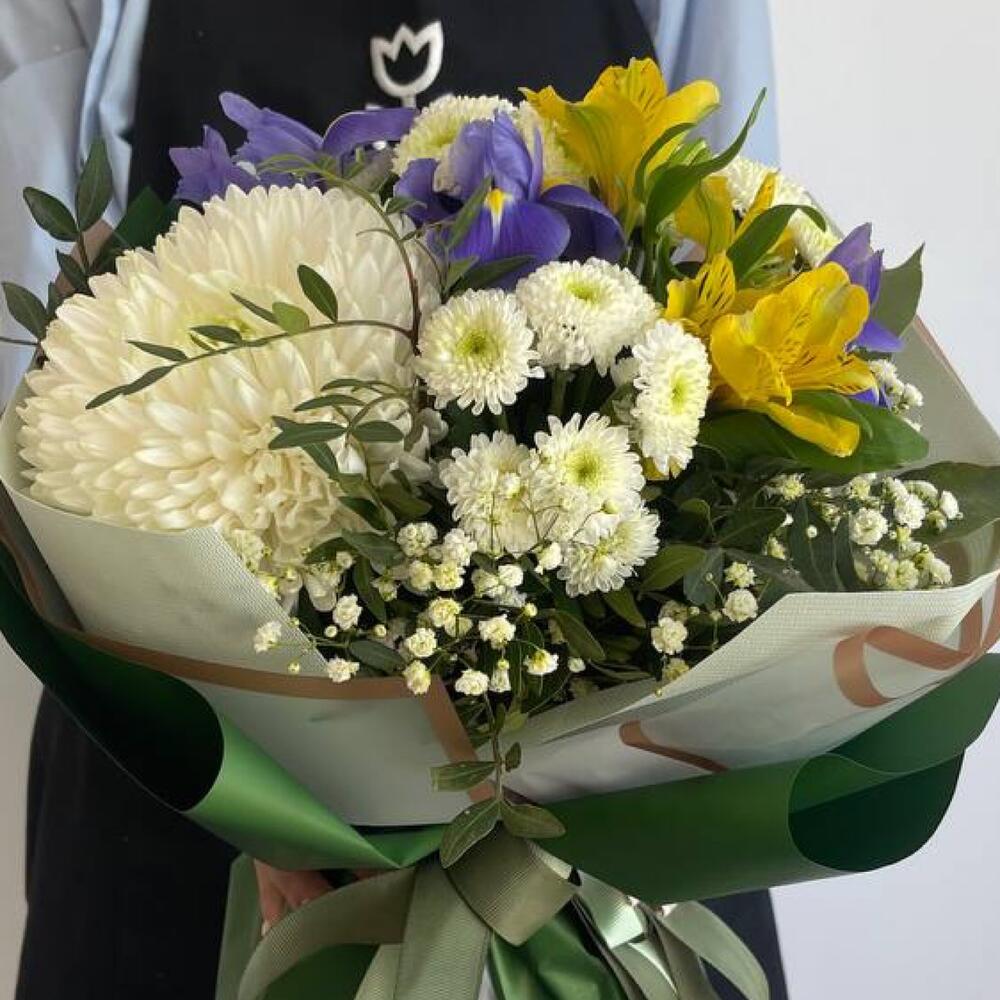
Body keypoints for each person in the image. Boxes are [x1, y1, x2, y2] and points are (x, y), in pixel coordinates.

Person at [0, 2, 785, 996]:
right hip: (185, 745)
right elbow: (41, 395)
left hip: (600, 772)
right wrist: (261, 792)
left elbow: (722, 294)